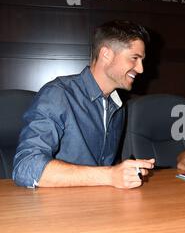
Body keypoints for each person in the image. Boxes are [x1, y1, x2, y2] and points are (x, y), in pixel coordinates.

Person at [13, 20, 155, 189]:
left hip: (98, 205)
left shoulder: (118, 105)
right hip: (57, 209)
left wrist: (123, 174)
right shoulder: (59, 94)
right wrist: (110, 175)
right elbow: (25, 167)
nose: (140, 69)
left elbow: (106, 168)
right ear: (106, 54)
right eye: (134, 58)